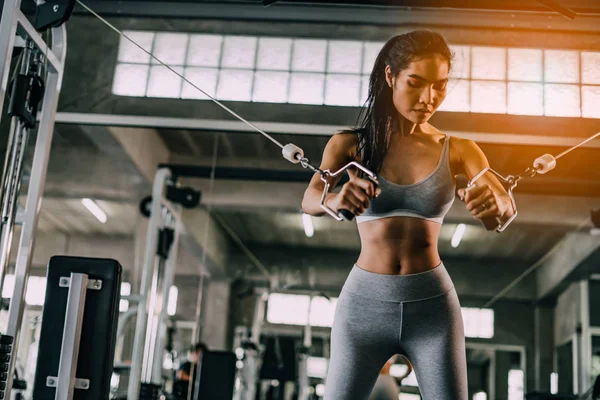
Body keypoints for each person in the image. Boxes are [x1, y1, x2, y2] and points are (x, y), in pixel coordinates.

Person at [302, 30, 515, 400]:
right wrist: (334, 201)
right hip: (364, 305)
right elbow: (310, 197)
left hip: (432, 307)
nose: (428, 99)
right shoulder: (351, 144)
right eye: (415, 83)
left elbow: (503, 205)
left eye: (440, 86)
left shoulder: (460, 150)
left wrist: (498, 208)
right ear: (390, 77)